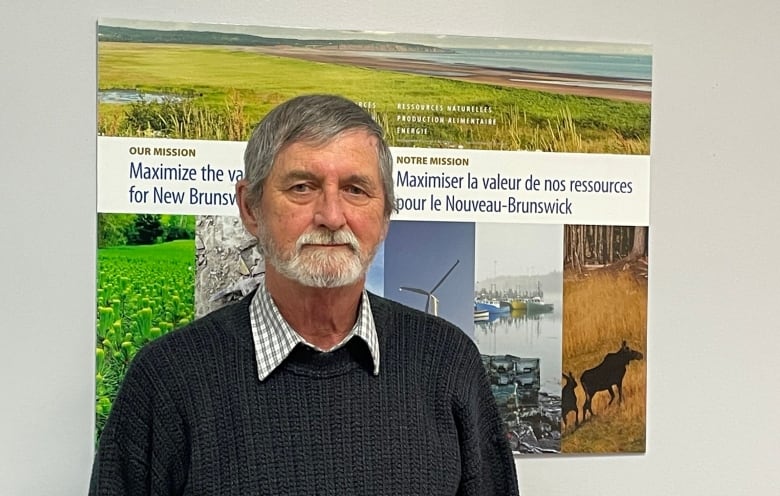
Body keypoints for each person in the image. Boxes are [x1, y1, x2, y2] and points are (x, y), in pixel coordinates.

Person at [89, 94, 519, 495]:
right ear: (250, 208)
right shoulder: (167, 378)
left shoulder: (448, 362)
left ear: (385, 214)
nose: (331, 216)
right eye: (302, 187)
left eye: (355, 189)